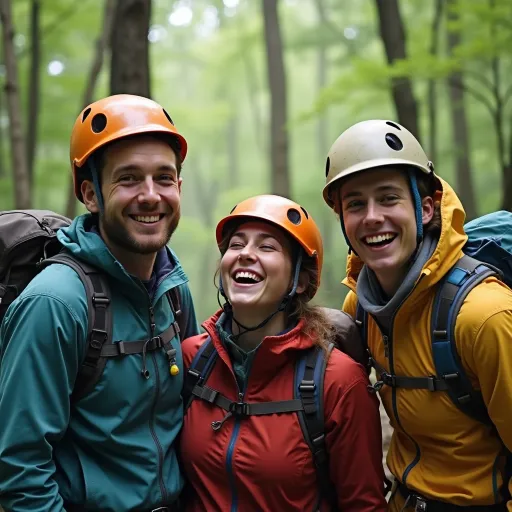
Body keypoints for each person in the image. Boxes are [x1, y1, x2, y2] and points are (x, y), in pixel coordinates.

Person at [0, 94, 199, 511]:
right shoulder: (55, 303)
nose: (150, 195)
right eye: (128, 179)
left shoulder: (174, 292)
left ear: (179, 187)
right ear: (91, 194)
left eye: (164, 178)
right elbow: (21, 469)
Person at [322, 119, 512, 510]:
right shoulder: (361, 307)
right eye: (355, 204)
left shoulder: (484, 316)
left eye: (389, 198)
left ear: (425, 209)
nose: (372, 217)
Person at [179, 194, 387, 511]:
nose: (245, 254)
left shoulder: (338, 381)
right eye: (236, 245)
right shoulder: (192, 360)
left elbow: (363, 504)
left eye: (266, 247)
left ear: (300, 281)